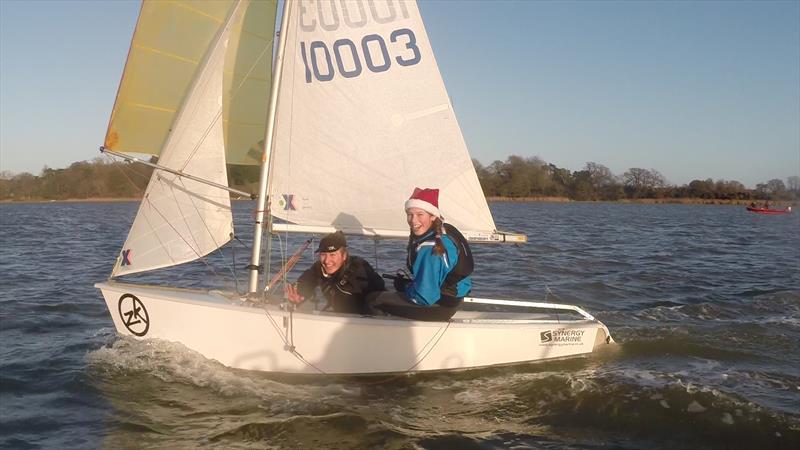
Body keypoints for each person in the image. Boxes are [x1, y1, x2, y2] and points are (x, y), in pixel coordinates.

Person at [366, 187, 473, 321]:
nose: (413, 220)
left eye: (420, 214)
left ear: (433, 215)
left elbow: (424, 297)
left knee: (373, 299)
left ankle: (386, 338)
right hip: (452, 299)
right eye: (410, 214)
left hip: (438, 305)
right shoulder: (443, 231)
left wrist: (406, 288)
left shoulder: (430, 248)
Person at [285, 231, 385, 314]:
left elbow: (380, 291)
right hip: (338, 316)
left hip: (365, 321)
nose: (327, 261)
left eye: (332, 255)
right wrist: (299, 293)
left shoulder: (358, 270)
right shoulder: (319, 268)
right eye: (323, 254)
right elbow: (306, 281)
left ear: (344, 256)